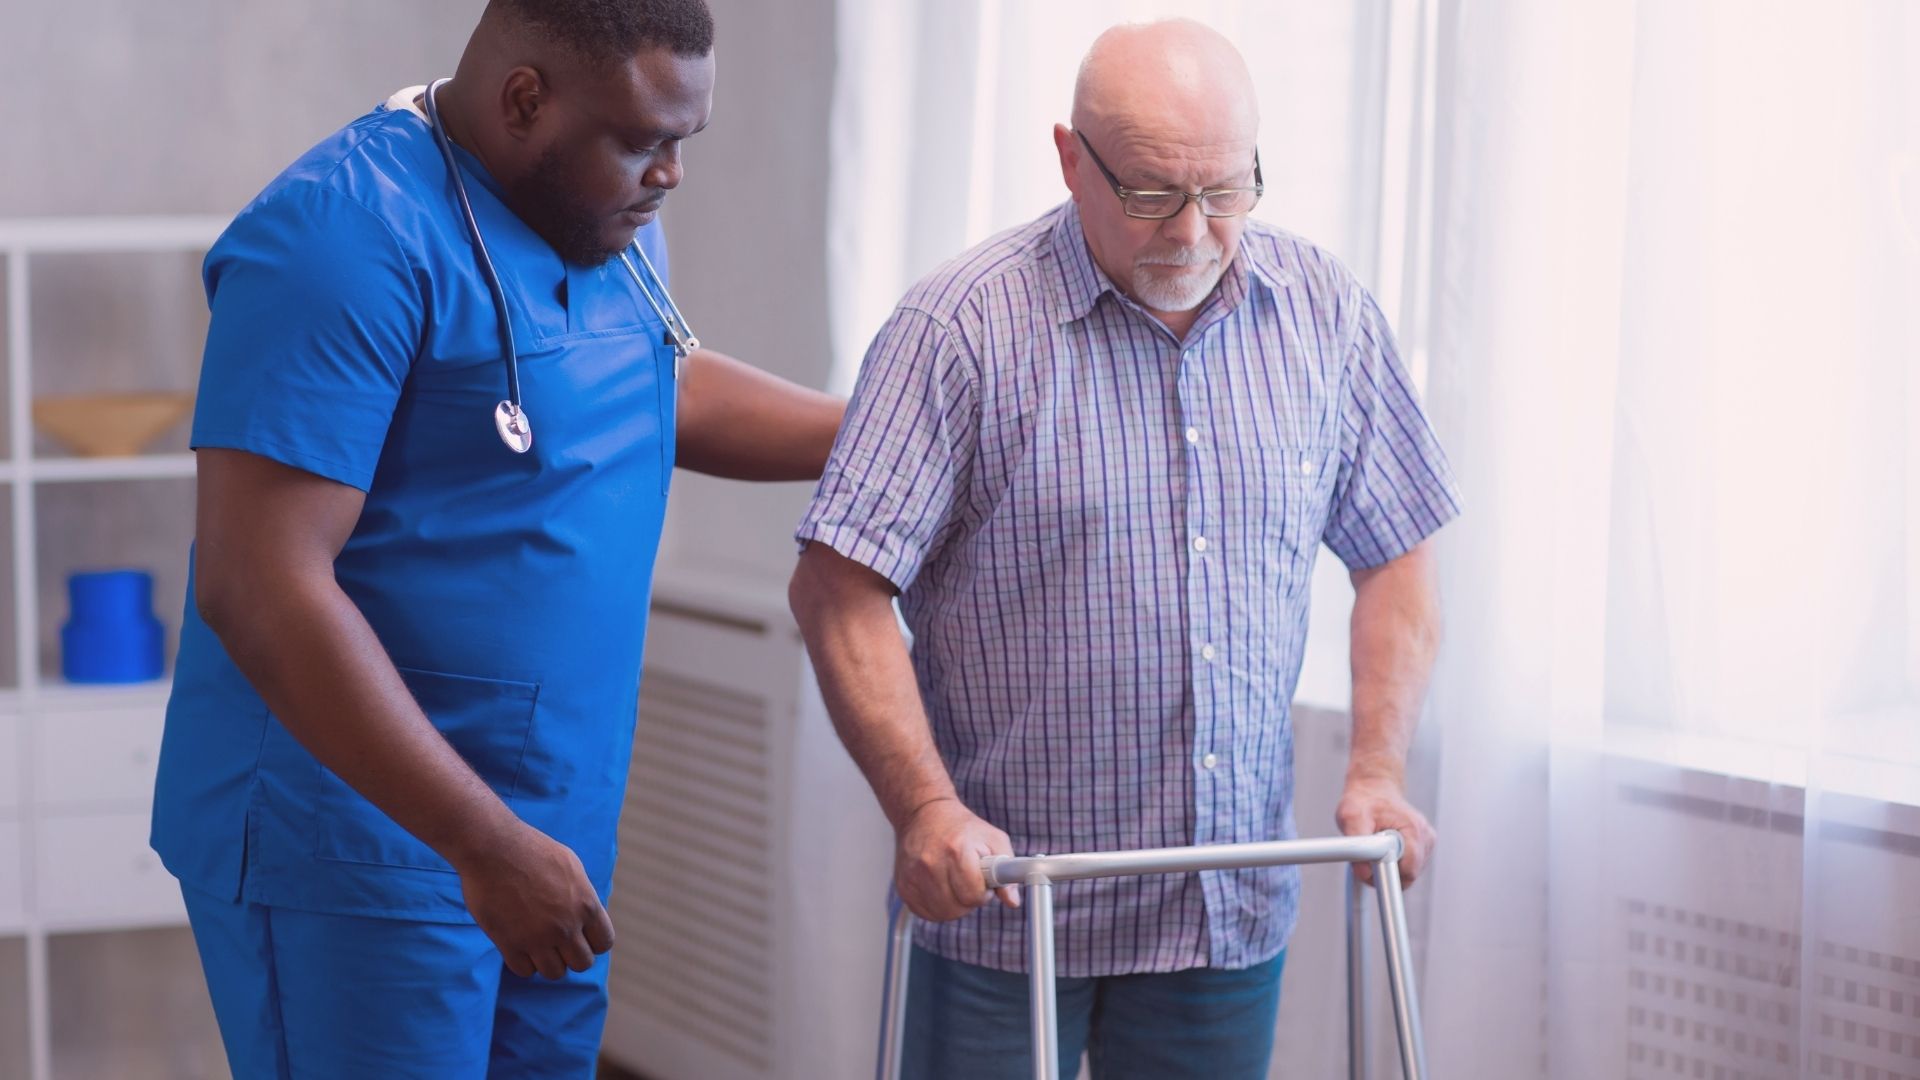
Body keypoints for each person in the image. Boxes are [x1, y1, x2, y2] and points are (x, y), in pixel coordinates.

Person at [148, 1, 843, 1075]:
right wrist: (481, 842)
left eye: (681, 142)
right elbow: (259, 584)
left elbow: (650, 380)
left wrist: (886, 432)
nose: (670, 176)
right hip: (363, 843)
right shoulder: (339, 239)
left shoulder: (591, 210)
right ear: (526, 99)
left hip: (546, 826)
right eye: (644, 140)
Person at [788, 19, 1460, 1079]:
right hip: (1007, 909)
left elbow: (1399, 550)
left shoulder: (1324, 317)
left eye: (1229, 191)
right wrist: (923, 806)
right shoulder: (959, 328)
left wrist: (1378, 769)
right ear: (1070, 158)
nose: (1193, 232)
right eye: (1150, 194)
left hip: (1221, 912)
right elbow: (839, 586)